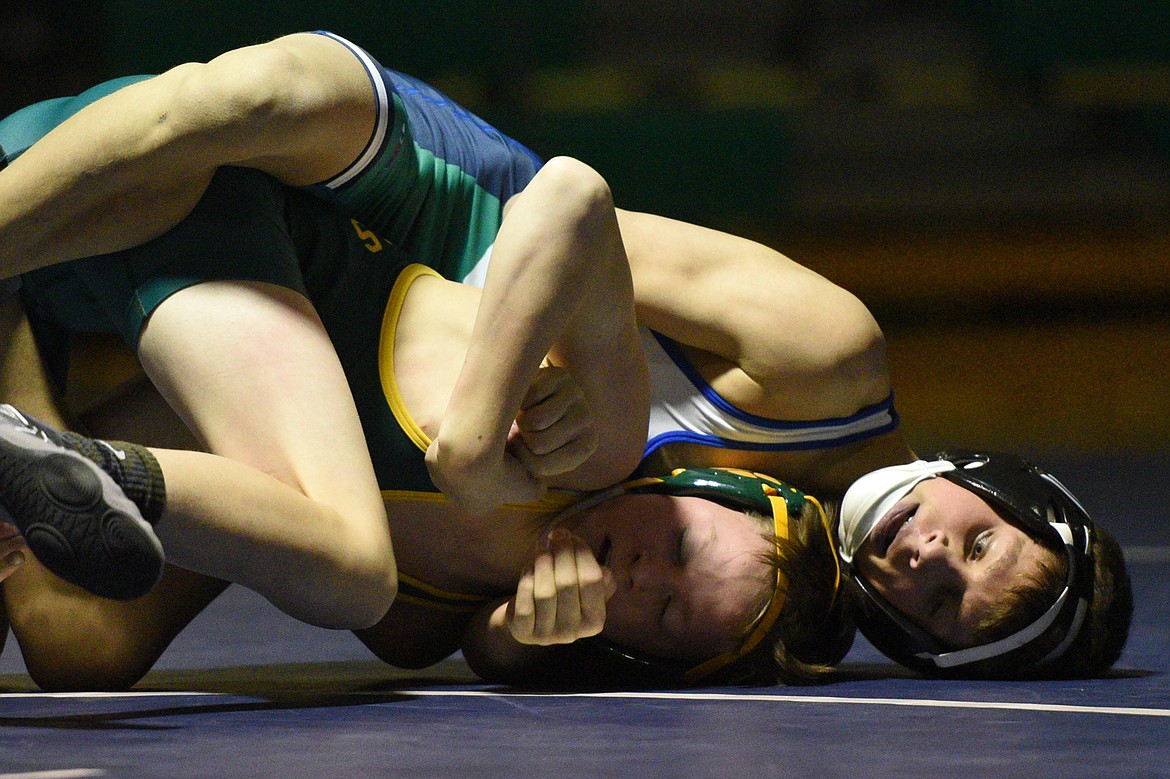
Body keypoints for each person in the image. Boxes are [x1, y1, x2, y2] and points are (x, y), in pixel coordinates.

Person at [0, 31, 1129, 684]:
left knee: (81, 645)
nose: (923, 554)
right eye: (976, 539)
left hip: (335, 403)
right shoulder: (822, 363)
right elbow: (572, 219)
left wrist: (517, 629)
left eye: (935, 604)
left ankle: (24, 338)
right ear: (996, 481)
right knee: (245, 98)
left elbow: (470, 633)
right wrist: (491, 426)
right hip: (434, 229)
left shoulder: (722, 601)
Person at [0, 154, 848, 690]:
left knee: (82, 647)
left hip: (206, 356)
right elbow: (570, 195)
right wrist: (478, 437)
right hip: (226, 242)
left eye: (663, 614)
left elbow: (487, 647)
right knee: (353, 569)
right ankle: (82, 456)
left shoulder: (442, 620)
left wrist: (522, 638)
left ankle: (18, 369)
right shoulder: (588, 433)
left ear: (635, 658)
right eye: (681, 549)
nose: (640, 569)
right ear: (694, 486)